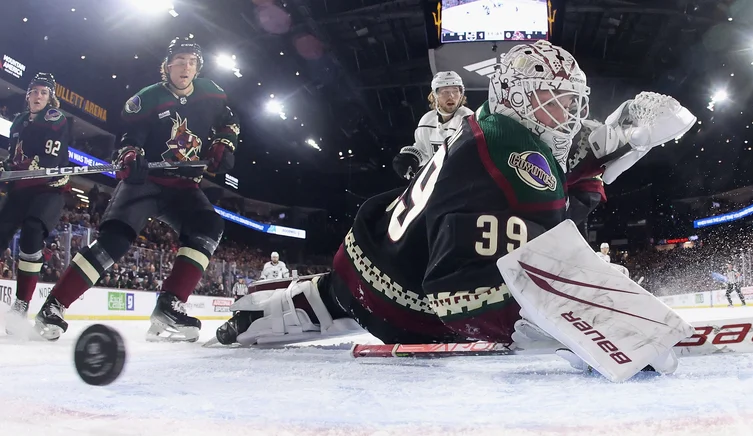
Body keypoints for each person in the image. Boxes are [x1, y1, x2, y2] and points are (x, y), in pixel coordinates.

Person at [217, 41, 695, 373]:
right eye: (552, 101)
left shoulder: (491, 121)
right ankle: (274, 312)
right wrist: (560, 322)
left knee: (328, 299)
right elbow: (459, 294)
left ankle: (262, 313)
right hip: (408, 296)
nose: (568, 116)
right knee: (557, 229)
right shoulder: (512, 161)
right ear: (517, 98)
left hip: (376, 257)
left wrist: (625, 140)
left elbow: (561, 149)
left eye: (572, 102)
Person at [35, 37, 239, 342]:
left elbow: (229, 121)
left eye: (192, 61)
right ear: (167, 66)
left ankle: (168, 307)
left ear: (198, 67)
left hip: (183, 186)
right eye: (180, 60)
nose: (186, 67)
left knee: (209, 226)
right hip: (146, 182)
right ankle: (53, 306)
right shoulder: (147, 99)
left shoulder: (212, 94)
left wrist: (224, 142)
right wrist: (131, 156)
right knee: (114, 242)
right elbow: (130, 139)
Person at [0, 73, 70, 334]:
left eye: (43, 92)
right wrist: (6, 166)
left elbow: (52, 156)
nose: (38, 96)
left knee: (31, 234)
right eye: (34, 92)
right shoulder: (17, 121)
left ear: (50, 97)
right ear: (27, 95)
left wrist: (44, 166)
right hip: (20, 190)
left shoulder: (55, 118)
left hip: (47, 190)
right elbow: (14, 155)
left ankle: (21, 304)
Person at [392, 71, 474, 180]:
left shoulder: (468, 119)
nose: (451, 96)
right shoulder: (427, 120)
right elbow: (424, 150)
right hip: (438, 180)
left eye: (455, 91)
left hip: (463, 181)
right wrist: (411, 158)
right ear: (434, 95)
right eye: (445, 92)